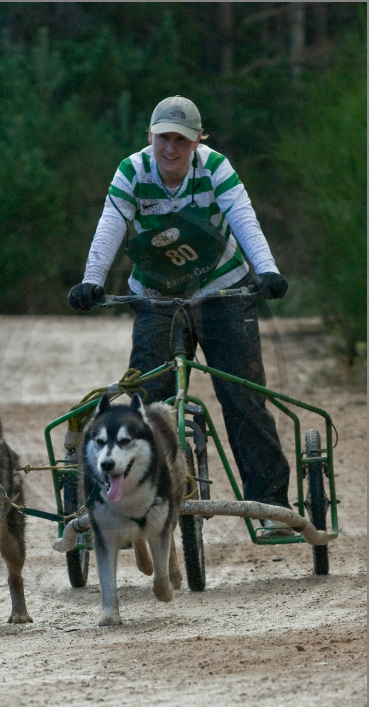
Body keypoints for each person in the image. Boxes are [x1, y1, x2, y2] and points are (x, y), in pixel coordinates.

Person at [68, 95, 291, 520]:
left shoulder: (215, 168)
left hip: (223, 291)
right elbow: (110, 225)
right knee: (149, 402)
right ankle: (142, 501)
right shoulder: (132, 171)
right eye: (163, 139)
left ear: (196, 142)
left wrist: (267, 270)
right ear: (149, 137)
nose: (171, 149)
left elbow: (243, 217)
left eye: (181, 141)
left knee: (243, 396)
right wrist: (92, 280)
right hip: (157, 294)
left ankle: (270, 504)